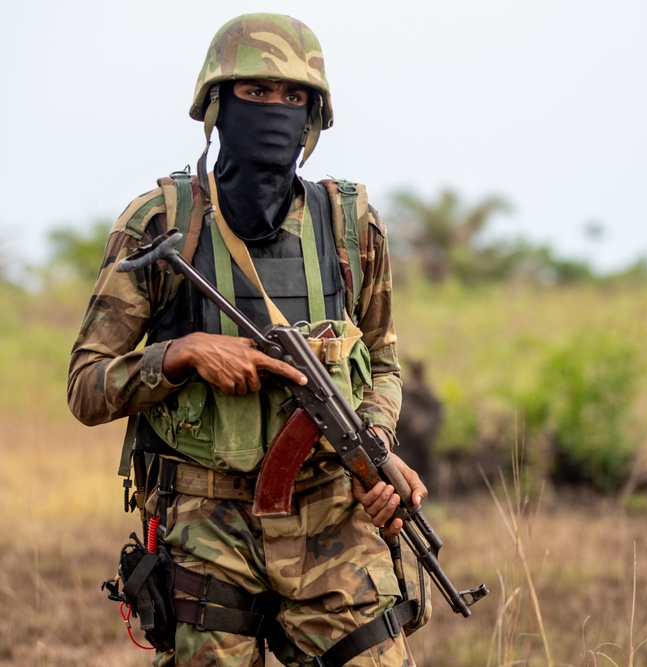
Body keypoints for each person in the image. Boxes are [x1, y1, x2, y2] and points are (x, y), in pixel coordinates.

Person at [67, 13, 425, 667]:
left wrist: (376, 446)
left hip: (330, 514)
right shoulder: (160, 223)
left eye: (294, 97)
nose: (275, 112)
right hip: (206, 523)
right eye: (256, 94)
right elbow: (86, 385)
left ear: (314, 117)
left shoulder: (350, 229)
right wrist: (180, 354)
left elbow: (384, 359)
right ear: (217, 105)